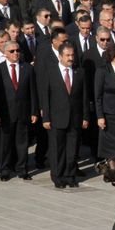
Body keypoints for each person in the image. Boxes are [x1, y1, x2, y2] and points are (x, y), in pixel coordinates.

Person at [38, 42, 89, 188]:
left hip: (75, 118)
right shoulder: (51, 71)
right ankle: (57, 176)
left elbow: (84, 97)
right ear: (60, 56)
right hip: (56, 118)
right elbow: (45, 96)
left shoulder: (80, 72)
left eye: (72, 55)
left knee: (72, 150)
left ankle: (70, 175)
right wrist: (46, 117)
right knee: (57, 149)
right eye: (67, 55)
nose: (70, 58)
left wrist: (85, 117)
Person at [0, 40, 38, 180]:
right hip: (5, 113)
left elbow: (33, 92)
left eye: (18, 50)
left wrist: (34, 111)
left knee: (22, 142)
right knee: (5, 143)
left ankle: (22, 169)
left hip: (23, 112)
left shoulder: (27, 68)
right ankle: (5, 169)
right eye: (12, 51)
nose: (16, 53)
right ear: (5, 54)